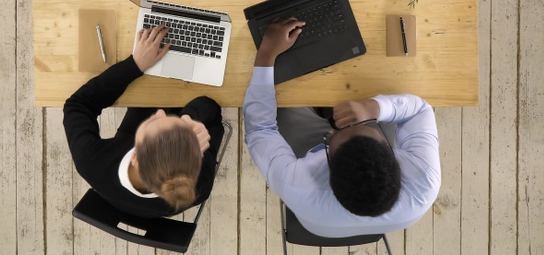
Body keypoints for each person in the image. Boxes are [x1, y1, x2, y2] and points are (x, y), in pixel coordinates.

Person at [243, 17, 441, 237]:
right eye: (367, 126)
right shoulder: (423, 178)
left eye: (335, 133)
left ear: (327, 162)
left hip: (318, 216)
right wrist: (373, 109)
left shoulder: (298, 184)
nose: (342, 123)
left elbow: (260, 129)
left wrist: (267, 52)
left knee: (283, 105)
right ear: (393, 154)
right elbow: (420, 110)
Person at [64, 24, 224, 218]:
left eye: (154, 121)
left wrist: (135, 64)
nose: (160, 112)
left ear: (135, 156)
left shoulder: (90, 161)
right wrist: (188, 119)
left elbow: (77, 105)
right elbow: (212, 112)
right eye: (161, 119)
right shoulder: (199, 185)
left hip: (134, 134)